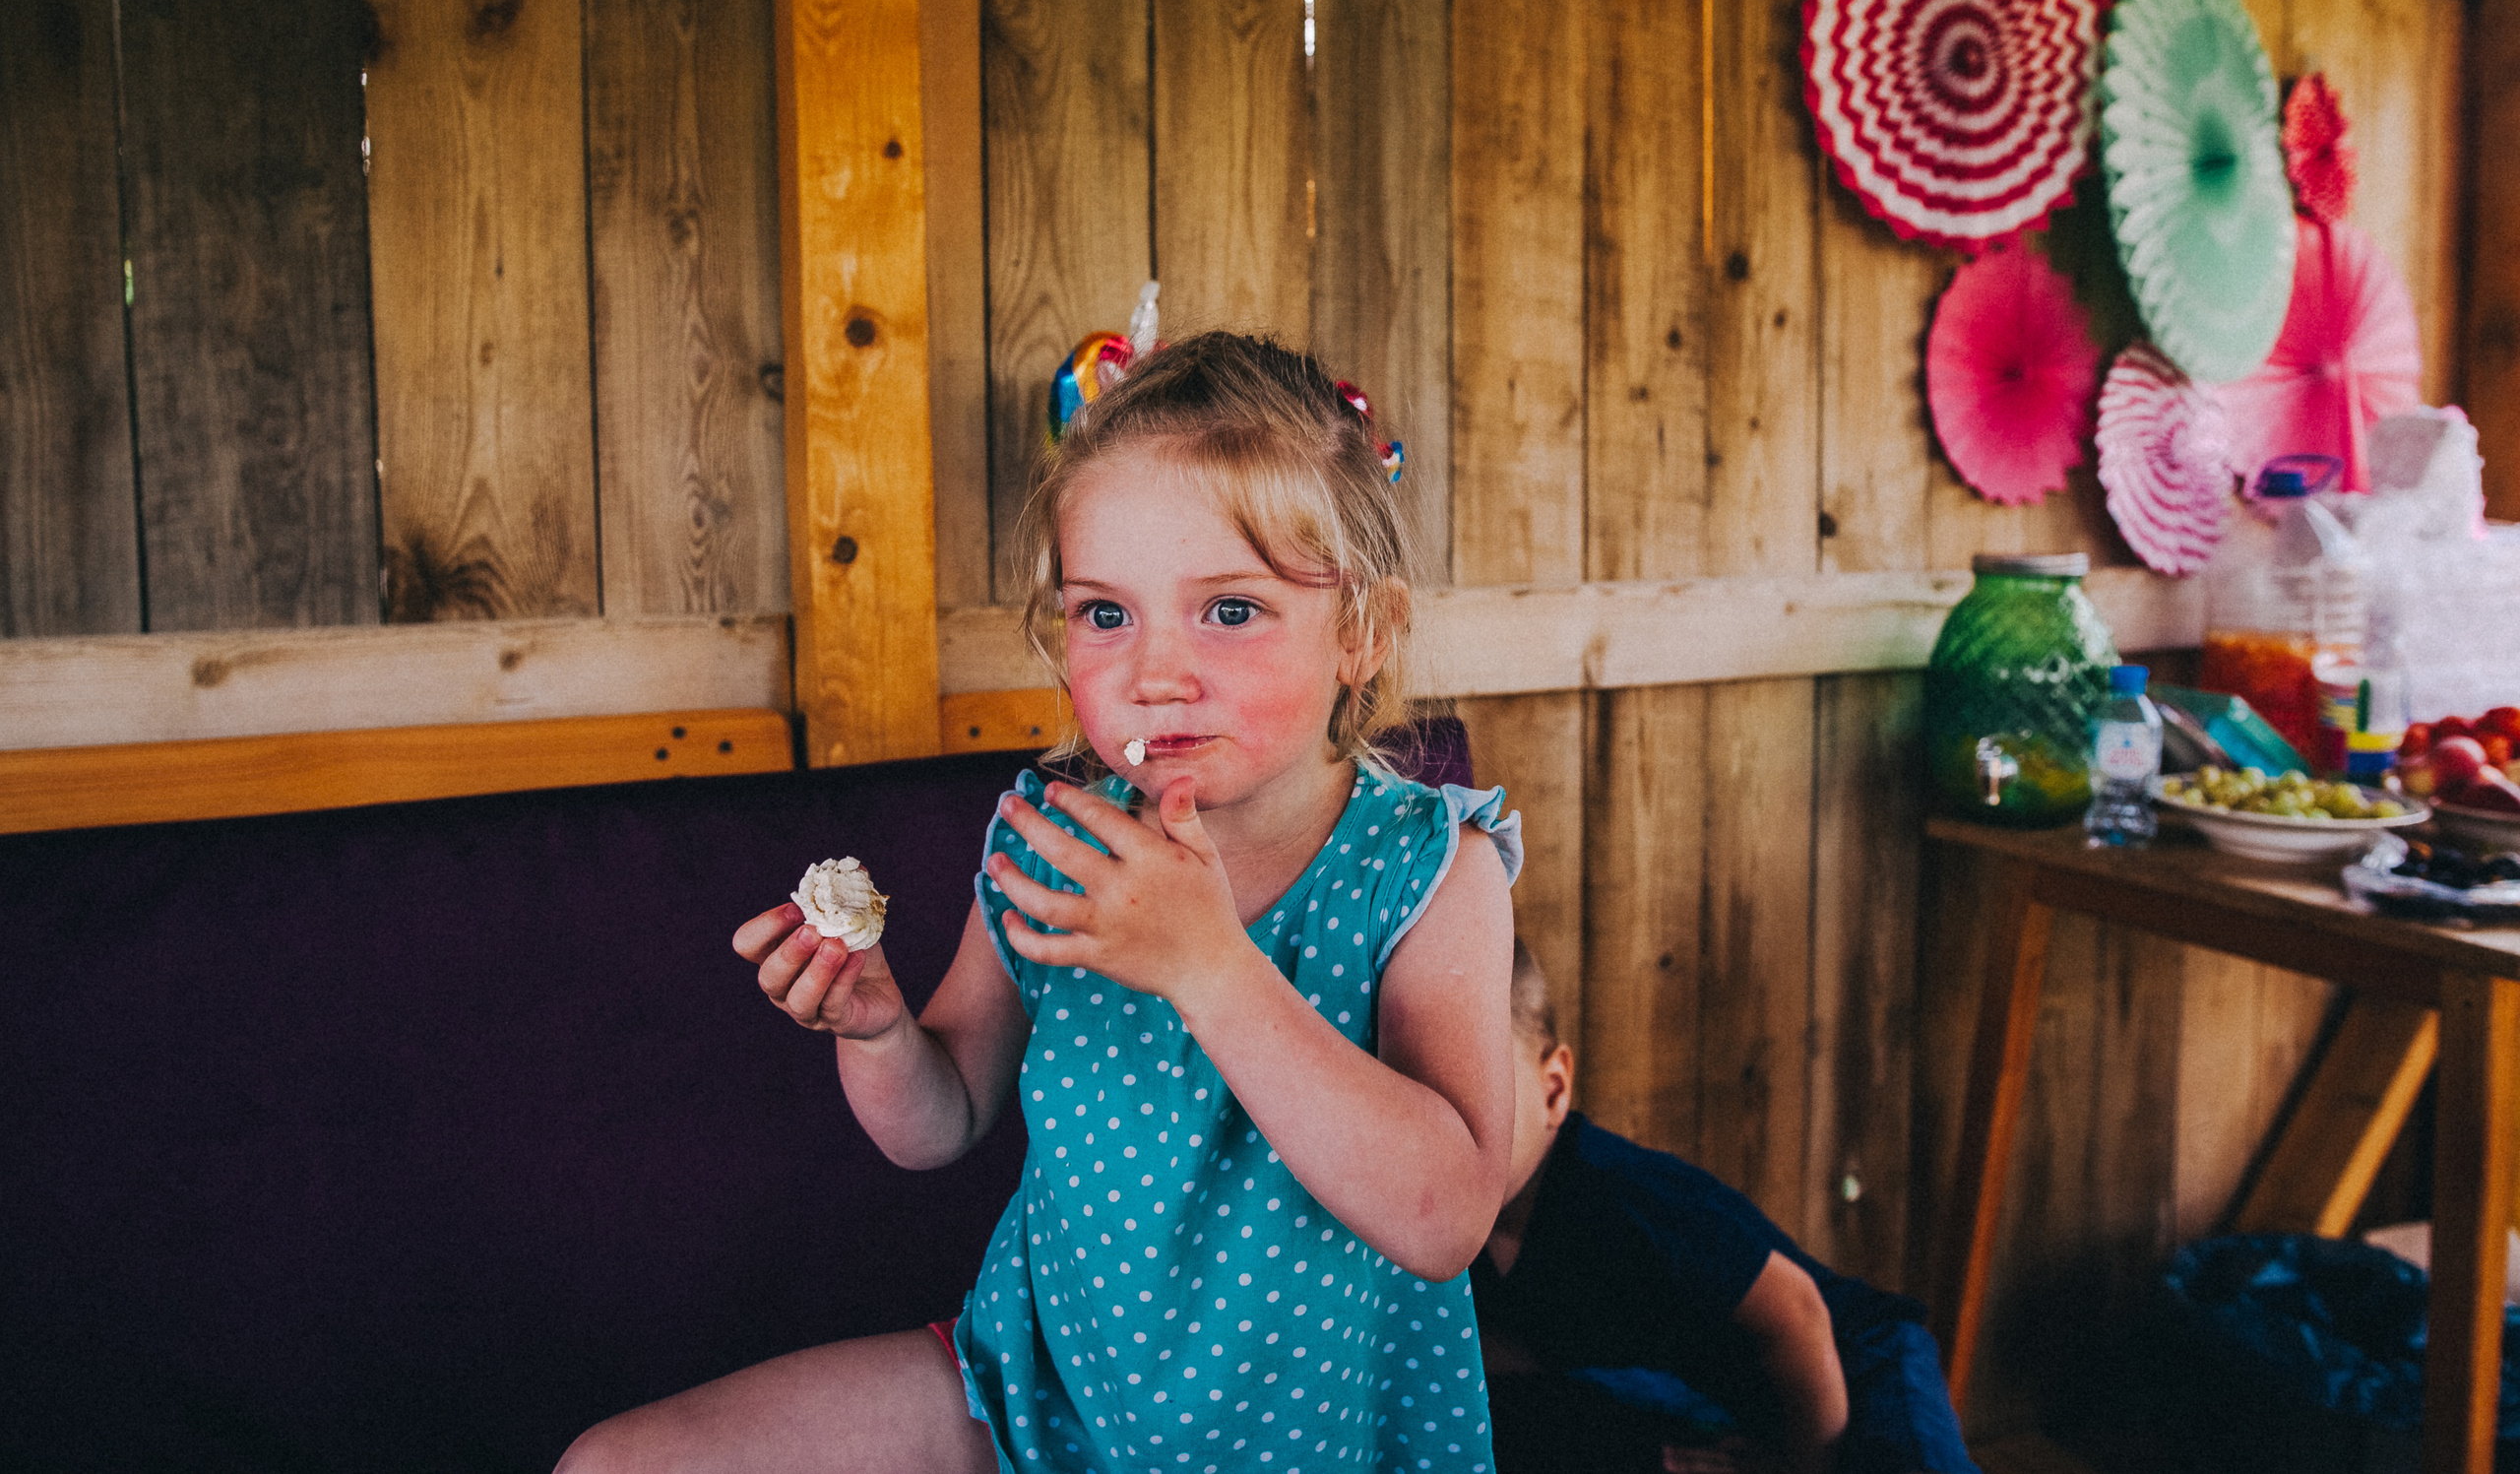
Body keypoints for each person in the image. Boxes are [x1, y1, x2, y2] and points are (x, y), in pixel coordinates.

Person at [559, 332, 1524, 1474]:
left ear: (1359, 632)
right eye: (1105, 615)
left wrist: (1208, 966)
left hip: (1306, 1444)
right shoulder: (1052, 839)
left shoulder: (1424, 871)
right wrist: (876, 1032)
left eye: (1230, 610)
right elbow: (944, 1119)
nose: (1156, 670)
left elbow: (1445, 1217)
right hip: (1030, 1401)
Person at [1475, 943, 1976, 1474]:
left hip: (1851, 1364)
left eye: (1479, 1091)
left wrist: (1800, 1465)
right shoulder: (1456, 1235)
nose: (1451, 1129)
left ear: (1553, 1091)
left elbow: (1798, 1317)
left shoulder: (1618, 1193)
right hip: (1711, 1396)